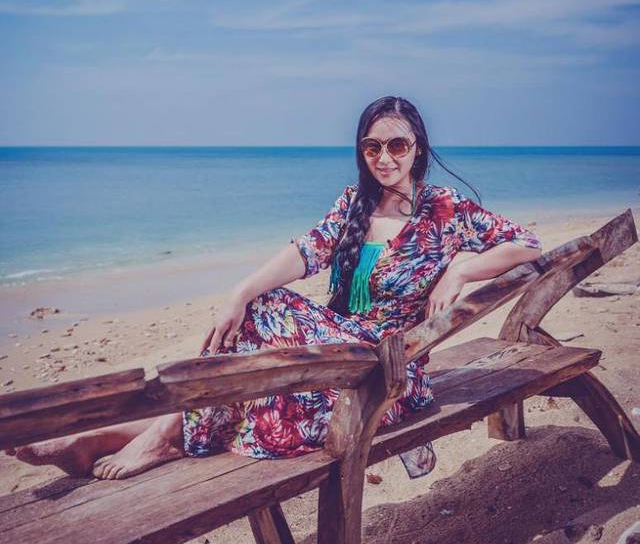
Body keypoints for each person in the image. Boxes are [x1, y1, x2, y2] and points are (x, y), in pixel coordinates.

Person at [10, 96, 541, 480]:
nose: (385, 158)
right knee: (252, 326)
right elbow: (306, 252)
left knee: (268, 309)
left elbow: (526, 244)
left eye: (397, 145)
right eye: (372, 146)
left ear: (417, 148)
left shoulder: (443, 209)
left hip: (390, 371)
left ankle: (159, 435)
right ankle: (106, 440)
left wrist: (460, 271)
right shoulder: (353, 204)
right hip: (339, 357)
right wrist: (236, 294)